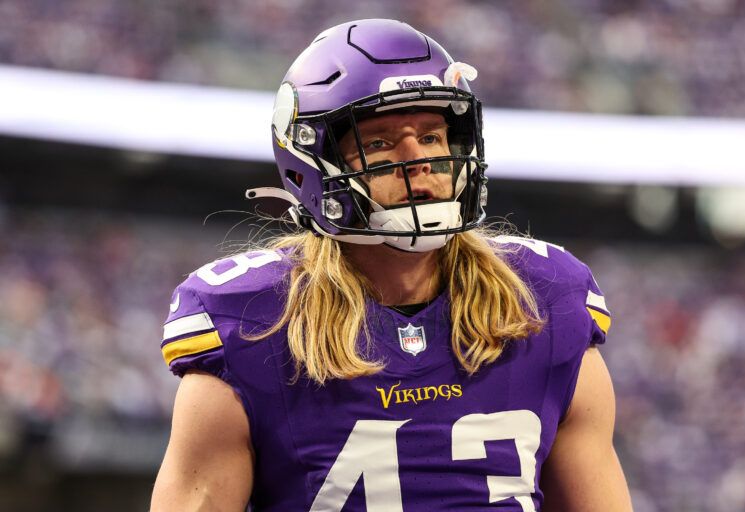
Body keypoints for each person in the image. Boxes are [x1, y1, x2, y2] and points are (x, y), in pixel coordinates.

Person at [150, 18, 633, 512]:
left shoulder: (546, 299)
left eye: (431, 136)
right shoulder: (251, 321)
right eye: (378, 142)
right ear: (310, 160)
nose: (417, 160)